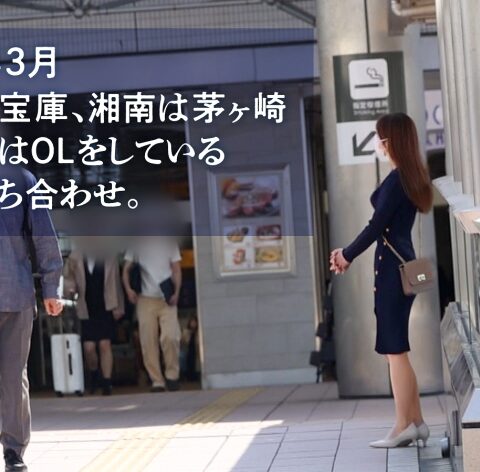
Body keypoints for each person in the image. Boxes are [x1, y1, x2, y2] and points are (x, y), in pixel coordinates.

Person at [330, 113, 433, 449]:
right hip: (402, 268)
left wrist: (346, 254)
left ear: (391, 141)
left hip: (393, 272)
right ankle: (416, 422)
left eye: (381, 137)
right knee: (396, 350)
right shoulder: (408, 176)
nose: (378, 143)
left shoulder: (398, 179)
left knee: (395, 350)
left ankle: (403, 425)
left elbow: (376, 227)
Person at [0, 165, 63, 472]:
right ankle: (14, 452)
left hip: (15, 294)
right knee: (13, 377)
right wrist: (50, 287)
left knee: (13, 376)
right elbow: (44, 236)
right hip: (16, 291)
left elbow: (43, 235)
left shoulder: (23, 181)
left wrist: (51, 287)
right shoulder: (23, 179)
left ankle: (14, 451)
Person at [122, 237, 182, 392]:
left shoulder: (169, 242)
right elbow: (126, 270)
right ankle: (157, 380)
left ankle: (172, 375)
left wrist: (177, 292)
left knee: (171, 336)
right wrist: (128, 289)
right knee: (148, 341)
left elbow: (176, 269)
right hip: (145, 299)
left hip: (166, 297)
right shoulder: (136, 245)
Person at [64, 248, 125, 395]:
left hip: (106, 306)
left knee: (105, 344)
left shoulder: (109, 256)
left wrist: (119, 306)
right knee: (89, 347)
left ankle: (107, 382)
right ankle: (94, 372)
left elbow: (116, 282)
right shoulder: (75, 257)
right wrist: (70, 289)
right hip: (86, 307)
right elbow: (68, 278)